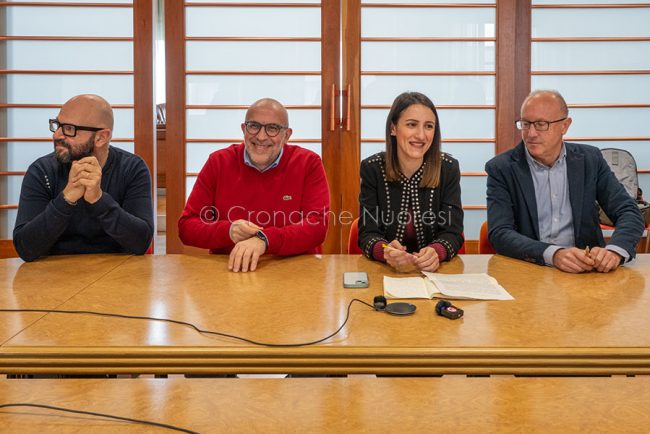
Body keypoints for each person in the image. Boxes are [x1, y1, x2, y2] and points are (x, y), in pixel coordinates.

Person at [485, 89, 644, 273]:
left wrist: (615, 251)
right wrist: (553, 254)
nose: (531, 133)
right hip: (530, 270)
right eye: (526, 124)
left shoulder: (590, 159)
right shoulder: (501, 168)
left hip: (587, 271)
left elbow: (628, 211)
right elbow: (500, 233)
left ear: (565, 126)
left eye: (541, 124)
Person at [178, 98, 330, 272]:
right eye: (254, 126)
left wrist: (265, 239)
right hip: (232, 270)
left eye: (272, 128)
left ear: (286, 135)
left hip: (295, 270)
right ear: (244, 129)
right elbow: (187, 227)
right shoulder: (218, 162)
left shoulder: (308, 163)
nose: (261, 136)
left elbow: (317, 226)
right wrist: (228, 231)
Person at [13, 94, 154, 262]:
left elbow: (141, 243)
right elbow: (25, 248)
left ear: (101, 137)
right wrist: (66, 199)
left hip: (118, 270)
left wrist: (98, 200)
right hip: (53, 272)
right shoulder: (42, 171)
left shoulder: (132, 169)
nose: (57, 135)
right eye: (57, 125)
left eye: (69, 129)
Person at [358, 92, 464, 273]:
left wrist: (437, 252)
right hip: (386, 273)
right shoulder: (372, 168)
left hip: (435, 274)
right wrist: (385, 252)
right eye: (411, 124)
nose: (421, 135)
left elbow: (453, 232)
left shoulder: (448, 168)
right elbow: (367, 233)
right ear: (393, 128)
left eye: (428, 126)